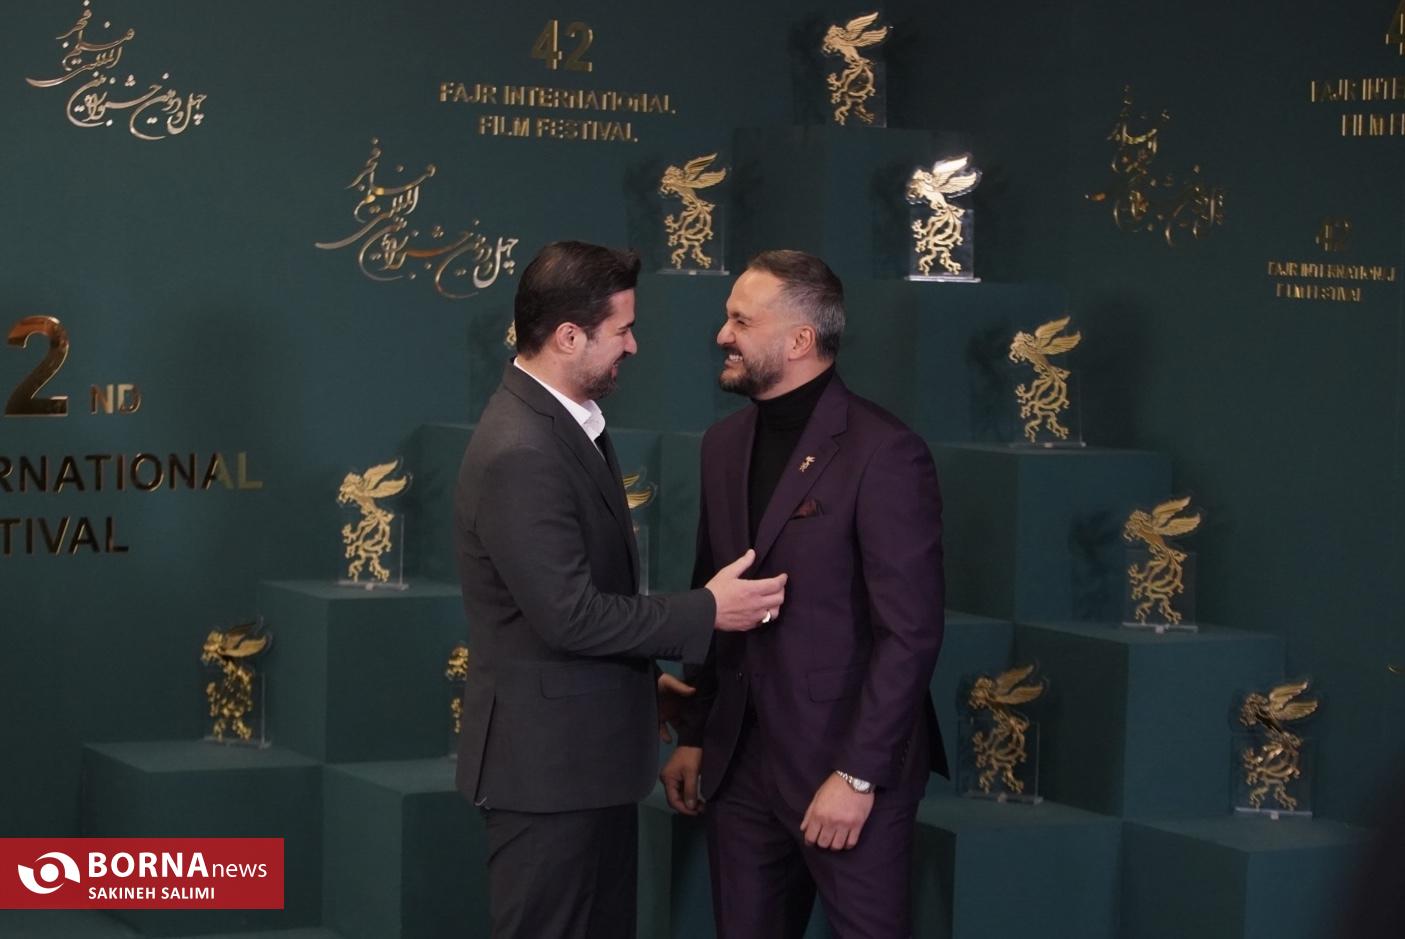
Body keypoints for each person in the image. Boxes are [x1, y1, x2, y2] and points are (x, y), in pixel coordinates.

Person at [454, 240, 787, 939]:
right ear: (568, 336)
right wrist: (709, 609)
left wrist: (641, 686)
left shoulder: (560, 422)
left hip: (583, 764)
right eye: (622, 330)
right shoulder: (522, 449)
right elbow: (569, 616)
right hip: (548, 777)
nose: (633, 346)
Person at [660, 250, 946, 939]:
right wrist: (695, 734)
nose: (722, 335)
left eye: (740, 321)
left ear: (799, 340)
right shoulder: (721, 444)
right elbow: (714, 594)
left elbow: (909, 632)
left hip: (845, 768)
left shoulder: (885, 451)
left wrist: (857, 775)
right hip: (738, 768)